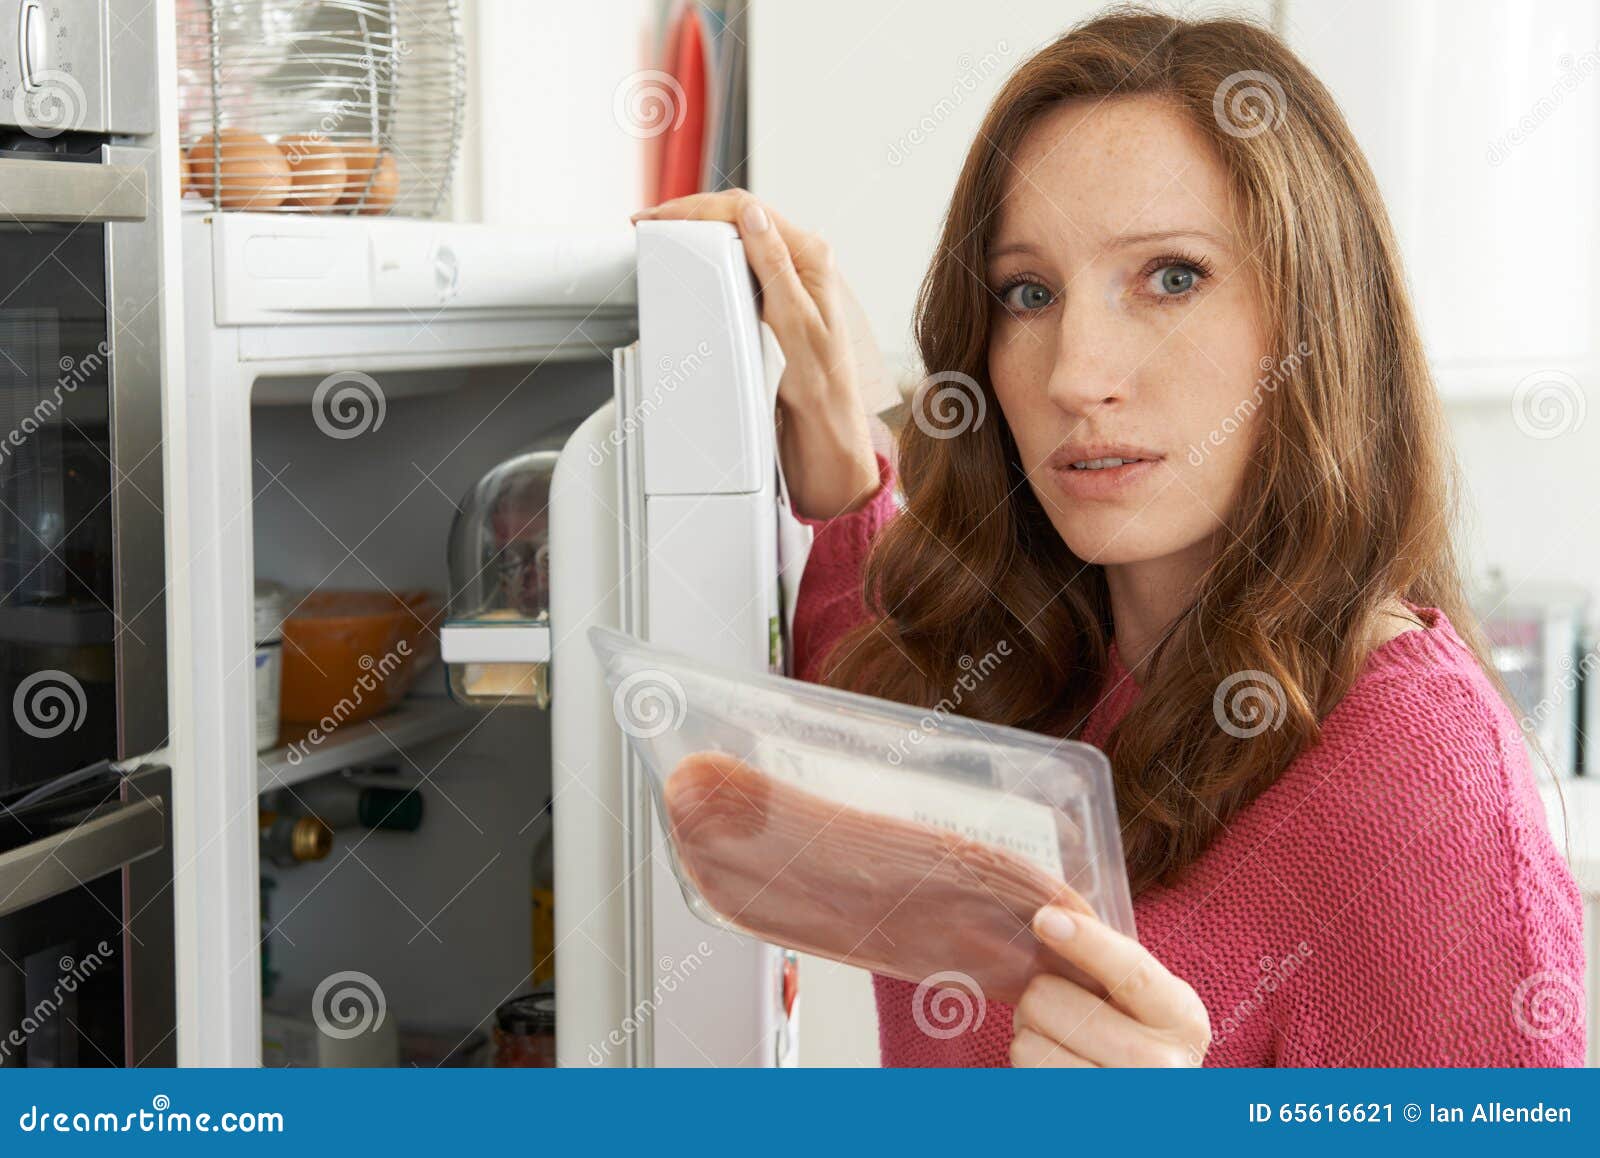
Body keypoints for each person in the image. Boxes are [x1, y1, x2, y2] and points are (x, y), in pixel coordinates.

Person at [630, 7, 1586, 1067]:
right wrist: (841, 457)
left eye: (1170, 277)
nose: (1076, 375)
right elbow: (873, 731)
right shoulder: (1041, 661)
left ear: (1316, 324)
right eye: (1027, 294)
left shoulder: (1417, 777)